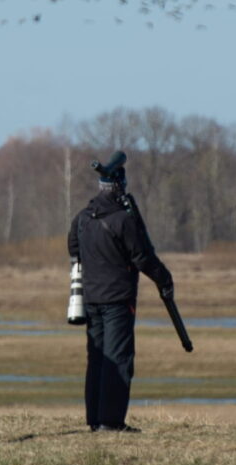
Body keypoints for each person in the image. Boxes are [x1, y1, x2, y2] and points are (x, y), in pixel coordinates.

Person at [67, 160, 174, 433]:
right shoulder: (123, 220)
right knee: (118, 358)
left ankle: (95, 419)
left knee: (98, 359)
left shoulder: (83, 218)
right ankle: (111, 422)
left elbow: (73, 247)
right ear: (119, 187)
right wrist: (164, 279)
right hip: (118, 300)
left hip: (91, 298)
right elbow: (143, 257)